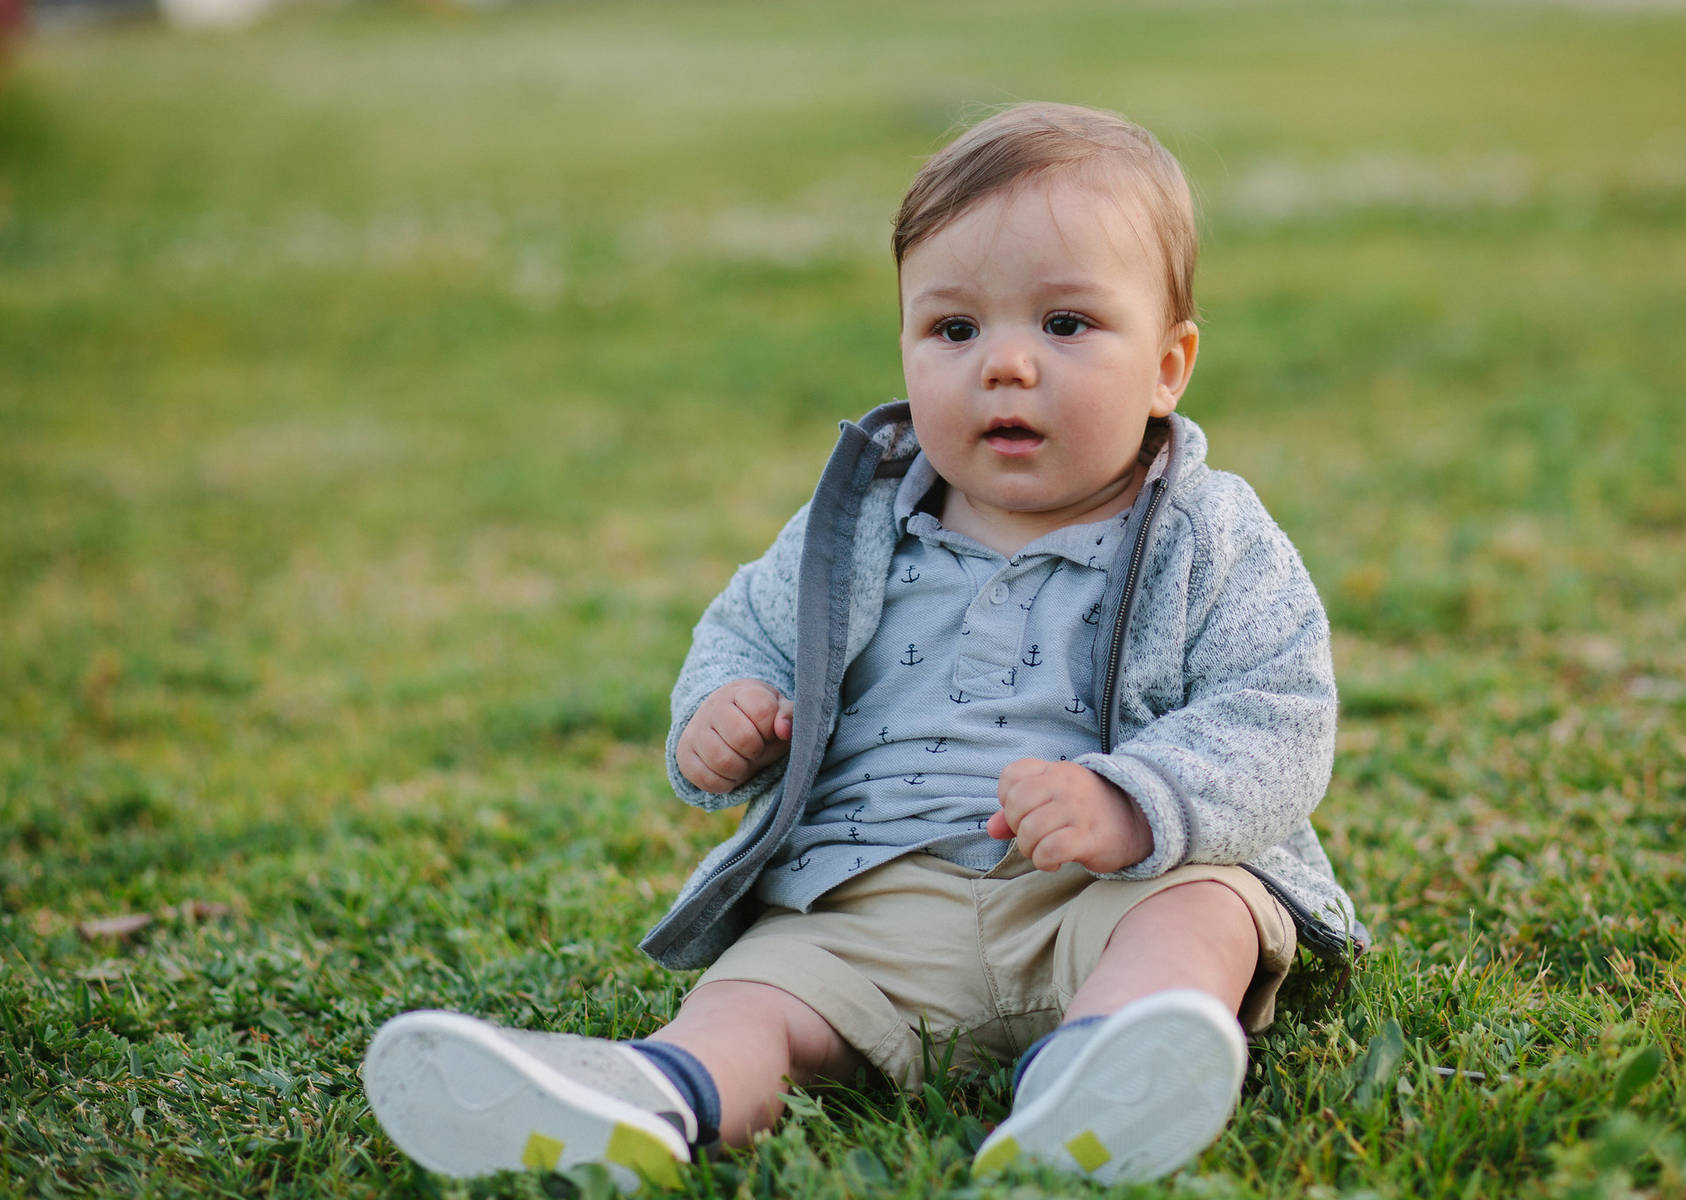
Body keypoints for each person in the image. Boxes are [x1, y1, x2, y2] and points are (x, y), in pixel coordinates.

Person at [363, 101, 1365, 1191]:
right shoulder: (858, 523)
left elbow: (1281, 710)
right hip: (872, 904)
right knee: (753, 994)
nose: (1007, 368)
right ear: (903, 342)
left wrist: (1135, 804)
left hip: (1102, 894)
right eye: (955, 330)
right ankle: (662, 1099)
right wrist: (726, 708)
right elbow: (745, 629)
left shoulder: (1207, 536)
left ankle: (1106, 1072)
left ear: (1169, 366)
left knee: (1211, 911)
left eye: (1066, 325)